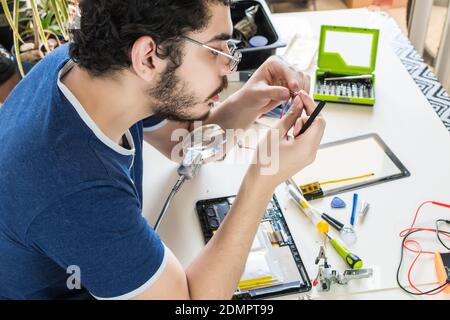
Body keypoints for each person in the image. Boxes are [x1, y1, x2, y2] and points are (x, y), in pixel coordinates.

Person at [0, 0, 325, 300]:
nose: (228, 68)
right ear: (149, 57)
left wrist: (250, 100)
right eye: (215, 51)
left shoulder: (95, 67)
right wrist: (262, 181)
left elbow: (181, 143)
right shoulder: (74, 192)